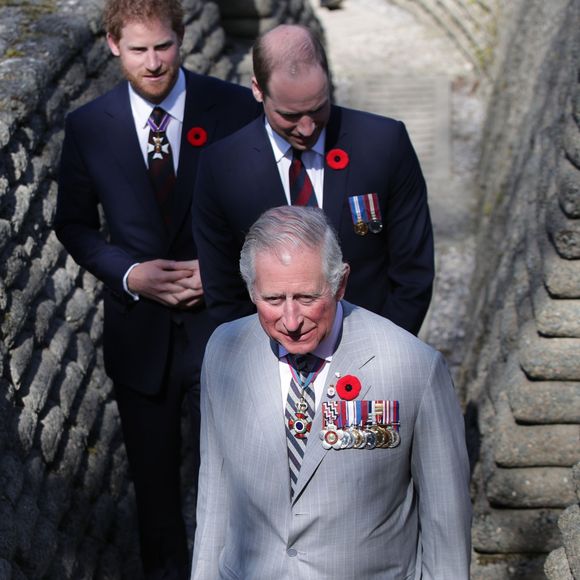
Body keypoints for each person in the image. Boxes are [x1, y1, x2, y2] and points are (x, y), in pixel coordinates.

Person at [54, 0, 260, 577]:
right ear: (113, 45)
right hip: (138, 336)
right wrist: (128, 272)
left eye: (163, 47)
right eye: (139, 50)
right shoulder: (89, 126)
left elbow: (268, 205)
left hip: (224, 326)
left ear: (183, 38)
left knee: (244, 477)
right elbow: (71, 224)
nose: (153, 63)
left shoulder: (234, 108)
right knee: (155, 497)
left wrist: (223, 268)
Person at [191, 205, 471, 579]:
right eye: (273, 300)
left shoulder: (413, 366)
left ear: (340, 284)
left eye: (307, 298)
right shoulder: (224, 350)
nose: (291, 322)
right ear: (251, 290)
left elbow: (446, 520)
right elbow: (215, 492)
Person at [192, 24, 434, 337]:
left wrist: (380, 351)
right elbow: (224, 290)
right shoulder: (221, 168)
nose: (307, 129)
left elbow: (412, 272)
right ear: (257, 90)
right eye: (290, 115)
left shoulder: (384, 144)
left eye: (318, 109)